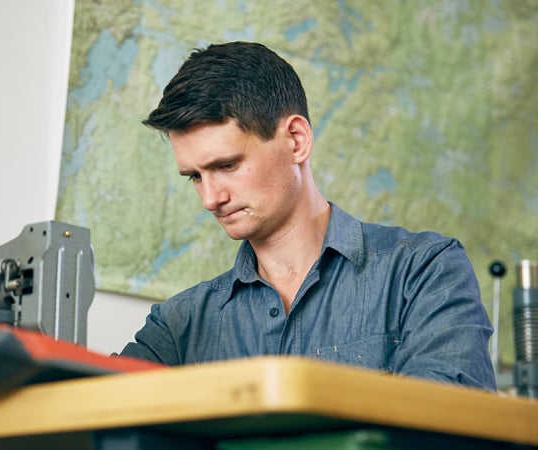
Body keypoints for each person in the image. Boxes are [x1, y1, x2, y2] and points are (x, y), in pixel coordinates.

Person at [119, 41, 497, 391]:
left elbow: (450, 428)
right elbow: (91, 410)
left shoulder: (424, 272)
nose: (210, 199)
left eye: (228, 165)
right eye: (195, 177)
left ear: (296, 140)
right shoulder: (177, 325)